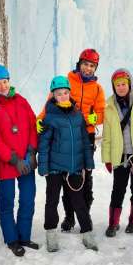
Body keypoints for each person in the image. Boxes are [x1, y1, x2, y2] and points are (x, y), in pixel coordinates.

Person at [37, 48, 105, 232]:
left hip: (85, 134)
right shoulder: (68, 82)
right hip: (62, 133)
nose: (88, 68)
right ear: (79, 64)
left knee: (84, 177)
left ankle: (84, 213)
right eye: (85, 64)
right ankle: (69, 216)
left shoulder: (97, 88)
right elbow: (50, 104)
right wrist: (40, 120)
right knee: (66, 177)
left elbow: (100, 112)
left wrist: (94, 119)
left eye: (92, 66)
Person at [38, 76, 97, 252]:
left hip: (74, 169)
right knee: (52, 201)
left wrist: (88, 163)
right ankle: (50, 234)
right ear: (53, 95)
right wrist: (44, 167)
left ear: (69, 93)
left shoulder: (77, 115)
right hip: (55, 168)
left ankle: (87, 234)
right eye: (58, 93)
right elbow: (44, 144)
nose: (63, 96)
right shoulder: (49, 118)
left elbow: (85, 142)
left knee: (79, 201)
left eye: (65, 93)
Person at [0, 64, 39, 257]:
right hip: (7, 163)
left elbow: (33, 126)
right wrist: (13, 159)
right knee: (7, 202)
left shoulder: (21, 101)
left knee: (27, 199)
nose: (2, 86)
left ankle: (24, 235)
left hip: (26, 161)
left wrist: (32, 152)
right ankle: (12, 239)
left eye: (5, 82)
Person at [101, 68, 133, 237]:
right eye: (117, 85)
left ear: (130, 84)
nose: (121, 87)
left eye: (123, 84)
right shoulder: (109, 107)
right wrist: (107, 158)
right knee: (118, 189)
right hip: (120, 156)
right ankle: (113, 223)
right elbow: (107, 136)